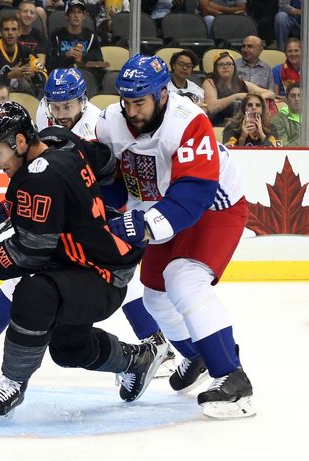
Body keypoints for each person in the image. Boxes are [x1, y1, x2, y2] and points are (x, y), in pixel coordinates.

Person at [0, 101, 162, 423]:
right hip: (83, 260)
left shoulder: (41, 176)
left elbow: (30, 252)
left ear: (20, 142)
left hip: (99, 273)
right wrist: (13, 207)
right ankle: (138, 360)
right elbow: (102, 162)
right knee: (68, 348)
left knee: (34, 293)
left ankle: (12, 382)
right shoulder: (58, 139)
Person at [0, 69, 176, 380]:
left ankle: (155, 340)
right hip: (66, 202)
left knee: (115, 277)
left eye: (67, 106)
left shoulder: (98, 122)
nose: (59, 113)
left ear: (83, 101)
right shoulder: (44, 112)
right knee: (29, 266)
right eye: (55, 105)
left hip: (104, 202)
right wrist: (9, 206)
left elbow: (100, 167)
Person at [96, 54, 255, 419]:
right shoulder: (110, 122)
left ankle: (232, 376)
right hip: (161, 206)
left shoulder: (188, 122)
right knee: (153, 295)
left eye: (140, 102)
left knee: (184, 278)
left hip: (214, 207)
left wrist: (144, 225)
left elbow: (194, 193)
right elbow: (114, 180)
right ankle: (201, 353)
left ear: (162, 95)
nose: (132, 111)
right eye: (127, 101)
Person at [0, 13, 47, 95]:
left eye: (14, 29)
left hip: (22, 97)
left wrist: (33, 75)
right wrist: (9, 75)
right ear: (0, 32)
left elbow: (45, 77)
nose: (10, 33)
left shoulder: (26, 52)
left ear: (19, 32)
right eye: (6, 29)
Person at [203, 51, 274, 127]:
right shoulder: (210, 82)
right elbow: (211, 107)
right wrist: (236, 96)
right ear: (215, 68)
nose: (225, 67)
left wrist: (257, 98)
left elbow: (271, 93)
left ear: (234, 66)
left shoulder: (242, 83)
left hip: (244, 124)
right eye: (221, 64)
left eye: (229, 64)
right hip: (219, 125)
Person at [34, 67, 101, 138]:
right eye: (55, 107)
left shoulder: (97, 126)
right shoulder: (43, 112)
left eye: (67, 107)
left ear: (82, 103)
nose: (60, 115)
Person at [48, 0, 104, 74]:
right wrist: (66, 55)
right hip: (62, 76)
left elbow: (100, 64)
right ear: (66, 15)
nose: (76, 15)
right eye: (72, 12)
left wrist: (82, 58)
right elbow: (49, 64)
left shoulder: (91, 36)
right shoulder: (56, 35)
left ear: (84, 16)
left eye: (79, 12)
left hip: (85, 76)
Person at [17, 0, 48, 67]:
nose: (28, 15)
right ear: (18, 14)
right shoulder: (11, 33)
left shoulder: (40, 36)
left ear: (35, 17)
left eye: (32, 13)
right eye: (25, 12)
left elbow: (41, 62)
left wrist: (29, 71)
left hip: (33, 73)